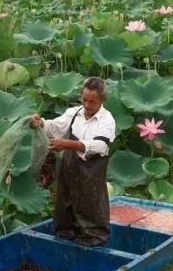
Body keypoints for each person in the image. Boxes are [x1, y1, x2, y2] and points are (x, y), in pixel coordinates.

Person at [31, 77, 116, 246]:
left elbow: (100, 145)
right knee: (65, 201)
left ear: (102, 100)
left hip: (92, 170)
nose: (87, 104)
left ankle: (93, 239)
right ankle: (65, 236)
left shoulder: (107, 120)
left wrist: (68, 144)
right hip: (70, 167)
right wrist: (41, 123)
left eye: (93, 101)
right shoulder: (74, 113)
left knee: (90, 204)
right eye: (84, 100)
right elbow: (55, 127)